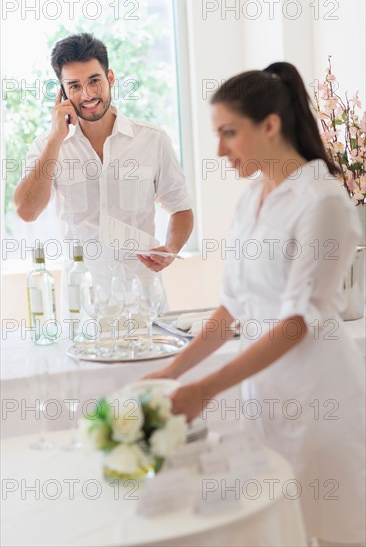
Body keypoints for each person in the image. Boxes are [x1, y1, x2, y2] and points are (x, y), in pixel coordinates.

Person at [145, 63, 365, 546]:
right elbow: (231, 308)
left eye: (229, 133)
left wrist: (206, 389)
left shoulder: (323, 202)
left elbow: (297, 323)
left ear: (270, 125)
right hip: (264, 398)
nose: (220, 150)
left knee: (330, 531)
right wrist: (172, 372)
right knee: (276, 529)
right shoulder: (251, 200)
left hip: (318, 399)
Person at [14, 33, 193, 316]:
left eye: (94, 80)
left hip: (144, 300)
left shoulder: (152, 139)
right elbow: (27, 210)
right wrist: (55, 139)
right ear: (61, 91)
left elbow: (181, 209)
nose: (86, 94)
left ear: (110, 77)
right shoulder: (48, 146)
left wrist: (170, 248)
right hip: (83, 303)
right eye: (74, 85)